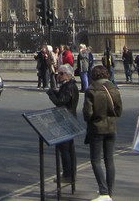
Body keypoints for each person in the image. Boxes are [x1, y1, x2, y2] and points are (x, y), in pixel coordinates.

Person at [83, 64, 122, 201]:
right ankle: (109, 192)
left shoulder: (91, 90)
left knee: (96, 161)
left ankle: (104, 192)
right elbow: (119, 111)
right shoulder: (114, 88)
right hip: (111, 128)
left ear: (93, 76)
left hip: (97, 129)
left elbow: (87, 113)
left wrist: (93, 118)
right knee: (109, 161)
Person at [47, 64, 79, 183]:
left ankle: (67, 174)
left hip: (65, 120)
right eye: (58, 73)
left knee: (64, 148)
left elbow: (61, 102)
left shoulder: (68, 86)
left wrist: (51, 94)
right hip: (70, 118)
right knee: (69, 148)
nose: (58, 76)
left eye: (61, 74)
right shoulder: (70, 85)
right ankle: (71, 173)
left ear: (67, 75)